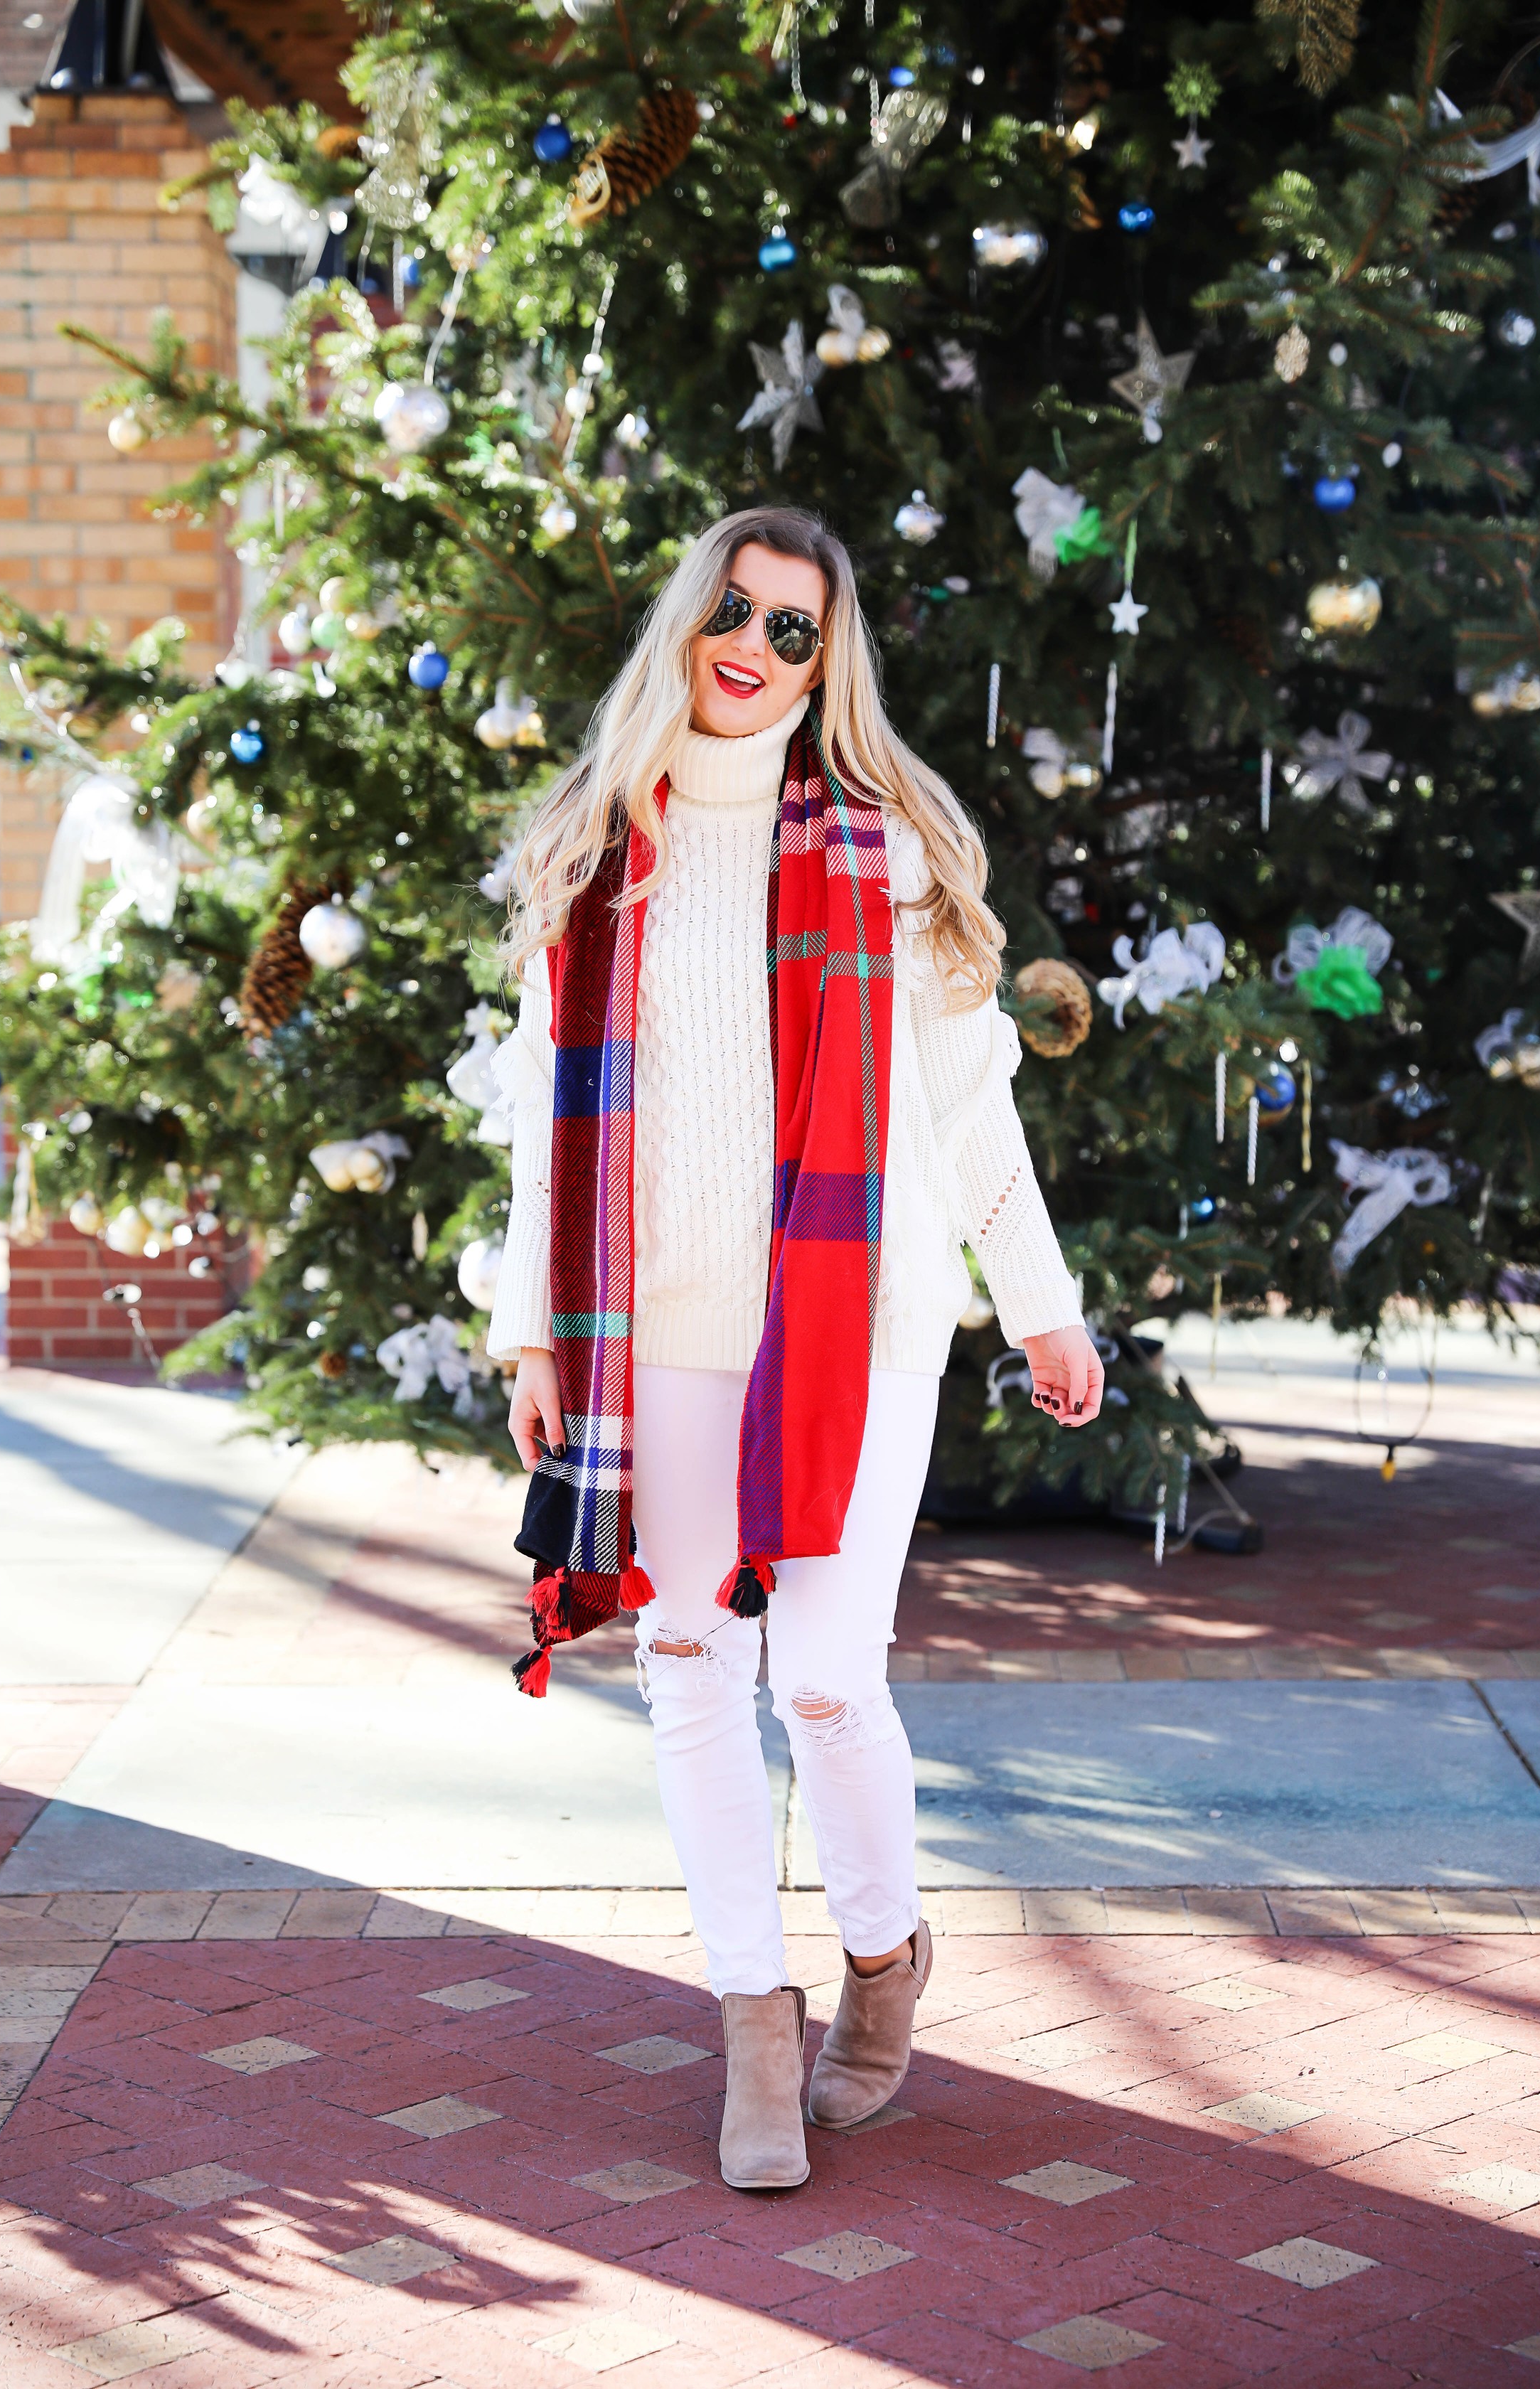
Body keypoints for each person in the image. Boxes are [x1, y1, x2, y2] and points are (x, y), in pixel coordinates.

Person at [488, 506, 1102, 2193]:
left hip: (855, 1324)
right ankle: (752, 2023)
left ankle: (886, 1960)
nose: (752, 651)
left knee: (827, 1679)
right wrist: (527, 1322)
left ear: (830, 664)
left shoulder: (886, 850)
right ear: (690, 619)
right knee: (692, 1671)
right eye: (734, 614)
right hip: (659, 1334)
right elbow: (546, 1117)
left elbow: (972, 1112)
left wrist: (1038, 1301)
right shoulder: (599, 851)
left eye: (794, 632)